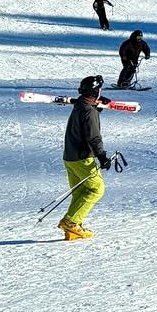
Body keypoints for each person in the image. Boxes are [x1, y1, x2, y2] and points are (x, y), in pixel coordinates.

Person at [58, 74, 114, 241]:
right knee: (97, 189)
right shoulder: (89, 111)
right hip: (83, 158)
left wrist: (97, 106)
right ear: (95, 91)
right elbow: (93, 137)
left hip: (70, 157)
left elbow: (86, 117)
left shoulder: (81, 107)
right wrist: (102, 156)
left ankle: (73, 229)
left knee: (81, 192)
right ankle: (71, 221)